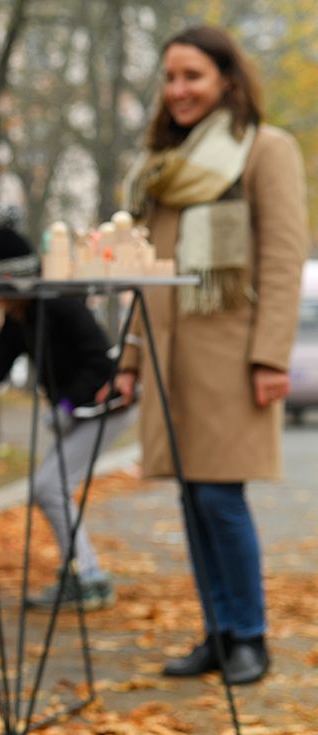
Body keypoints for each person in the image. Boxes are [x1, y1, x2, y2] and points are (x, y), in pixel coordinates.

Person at [116, 26, 308, 684]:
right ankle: (218, 633)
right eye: (170, 78)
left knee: (222, 497)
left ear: (227, 78)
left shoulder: (264, 150)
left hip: (232, 355)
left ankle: (250, 635)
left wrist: (270, 358)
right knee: (194, 499)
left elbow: (284, 261)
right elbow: (146, 270)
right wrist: (131, 359)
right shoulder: (165, 166)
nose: (178, 91)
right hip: (172, 356)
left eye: (192, 76)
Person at [0, 223, 133, 610]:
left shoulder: (58, 302)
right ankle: (84, 573)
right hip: (80, 411)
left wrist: (67, 404)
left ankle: (88, 577)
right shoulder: (21, 319)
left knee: (49, 487)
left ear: (10, 281)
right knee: (49, 488)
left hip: (104, 407)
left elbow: (100, 360)